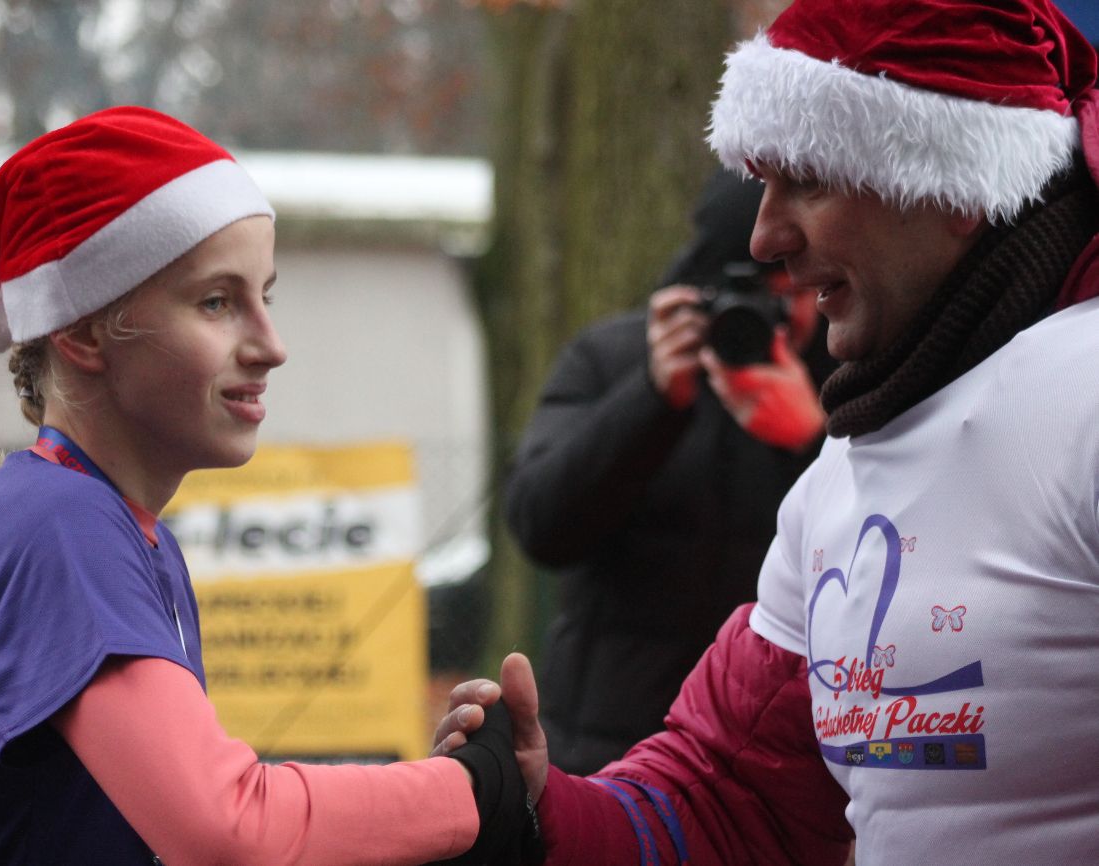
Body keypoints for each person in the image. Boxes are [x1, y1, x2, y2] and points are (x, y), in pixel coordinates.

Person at [433, 0, 1099, 863]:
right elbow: (731, 798)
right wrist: (538, 807)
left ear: (953, 183)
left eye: (808, 180)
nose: (765, 236)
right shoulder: (848, 459)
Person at [0, 107, 538, 865]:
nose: (271, 346)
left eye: (265, 297)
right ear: (82, 330)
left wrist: (438, 801)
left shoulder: (97, 522)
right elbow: (227, 829)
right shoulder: (58, 529)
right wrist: (468, 794)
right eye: (217, 302)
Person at [504, 168, 833, 774]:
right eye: (752, 292)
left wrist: (814, 442)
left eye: (794, 290)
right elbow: (540, 525)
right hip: (608, 748)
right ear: (700, 287)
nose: (776, 315)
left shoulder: (846, 379)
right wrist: (652, 398)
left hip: (767, 757)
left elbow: (895, 554)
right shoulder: (614, 358)